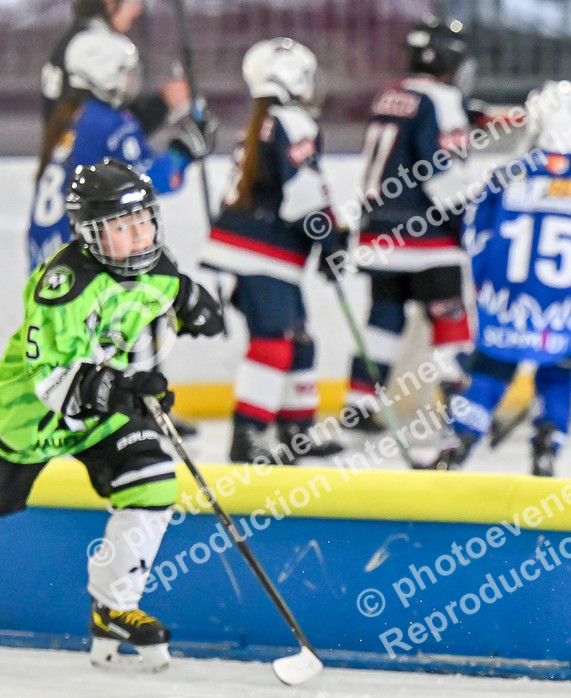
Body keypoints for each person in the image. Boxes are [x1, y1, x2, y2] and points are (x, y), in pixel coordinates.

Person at [0, 162, 224, 672]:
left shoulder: (156, 267)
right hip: (26, 420)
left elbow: (164, 293)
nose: (140, 235)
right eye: (123, 227)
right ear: (90, 234)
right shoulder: (65, 286)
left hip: (99, 421)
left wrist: (190, 298)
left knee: (152, 479)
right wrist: (126, 388)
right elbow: (53, 383)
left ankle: (114, 609)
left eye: (145, 221)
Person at [434, 81, 571, 475]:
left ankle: (458, 443)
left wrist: (488, 288)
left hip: (505, 305)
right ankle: (547, 444)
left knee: (489, 373)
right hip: (568, 310)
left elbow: (474, 239)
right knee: (557, 376)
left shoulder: (503, 176)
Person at [203, 38, 347, 465]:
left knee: (298, 340)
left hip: (248, 249)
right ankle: (247, 435)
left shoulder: (262, 122)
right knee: (274, 342)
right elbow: (303, 194)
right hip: (263, 253)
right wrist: (331, 243)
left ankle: (296, 432)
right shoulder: (293, 121)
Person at [342, 17, 480, 430]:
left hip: (379, 232)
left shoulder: (390, 94)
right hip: (426, 234)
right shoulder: (443, 98)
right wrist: (466, 220)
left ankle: (359, 405)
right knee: (449, 316)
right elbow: (441, 172)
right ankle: (460, 406)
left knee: (384, 316)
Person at [30, 27, 214, 271]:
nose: (129, 80)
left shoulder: (70, 115)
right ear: (106, 74)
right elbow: (148, 181)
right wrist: (183, 151)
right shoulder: (107, 122)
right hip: (83, 257)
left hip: (48, 257)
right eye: (125, 73)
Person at [40, 0, 188, 136]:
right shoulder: (92, 45)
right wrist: (162, 105)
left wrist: (164, 103)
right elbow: (107, 138)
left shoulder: (79, 38)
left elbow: (110, 130)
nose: (137, 9)